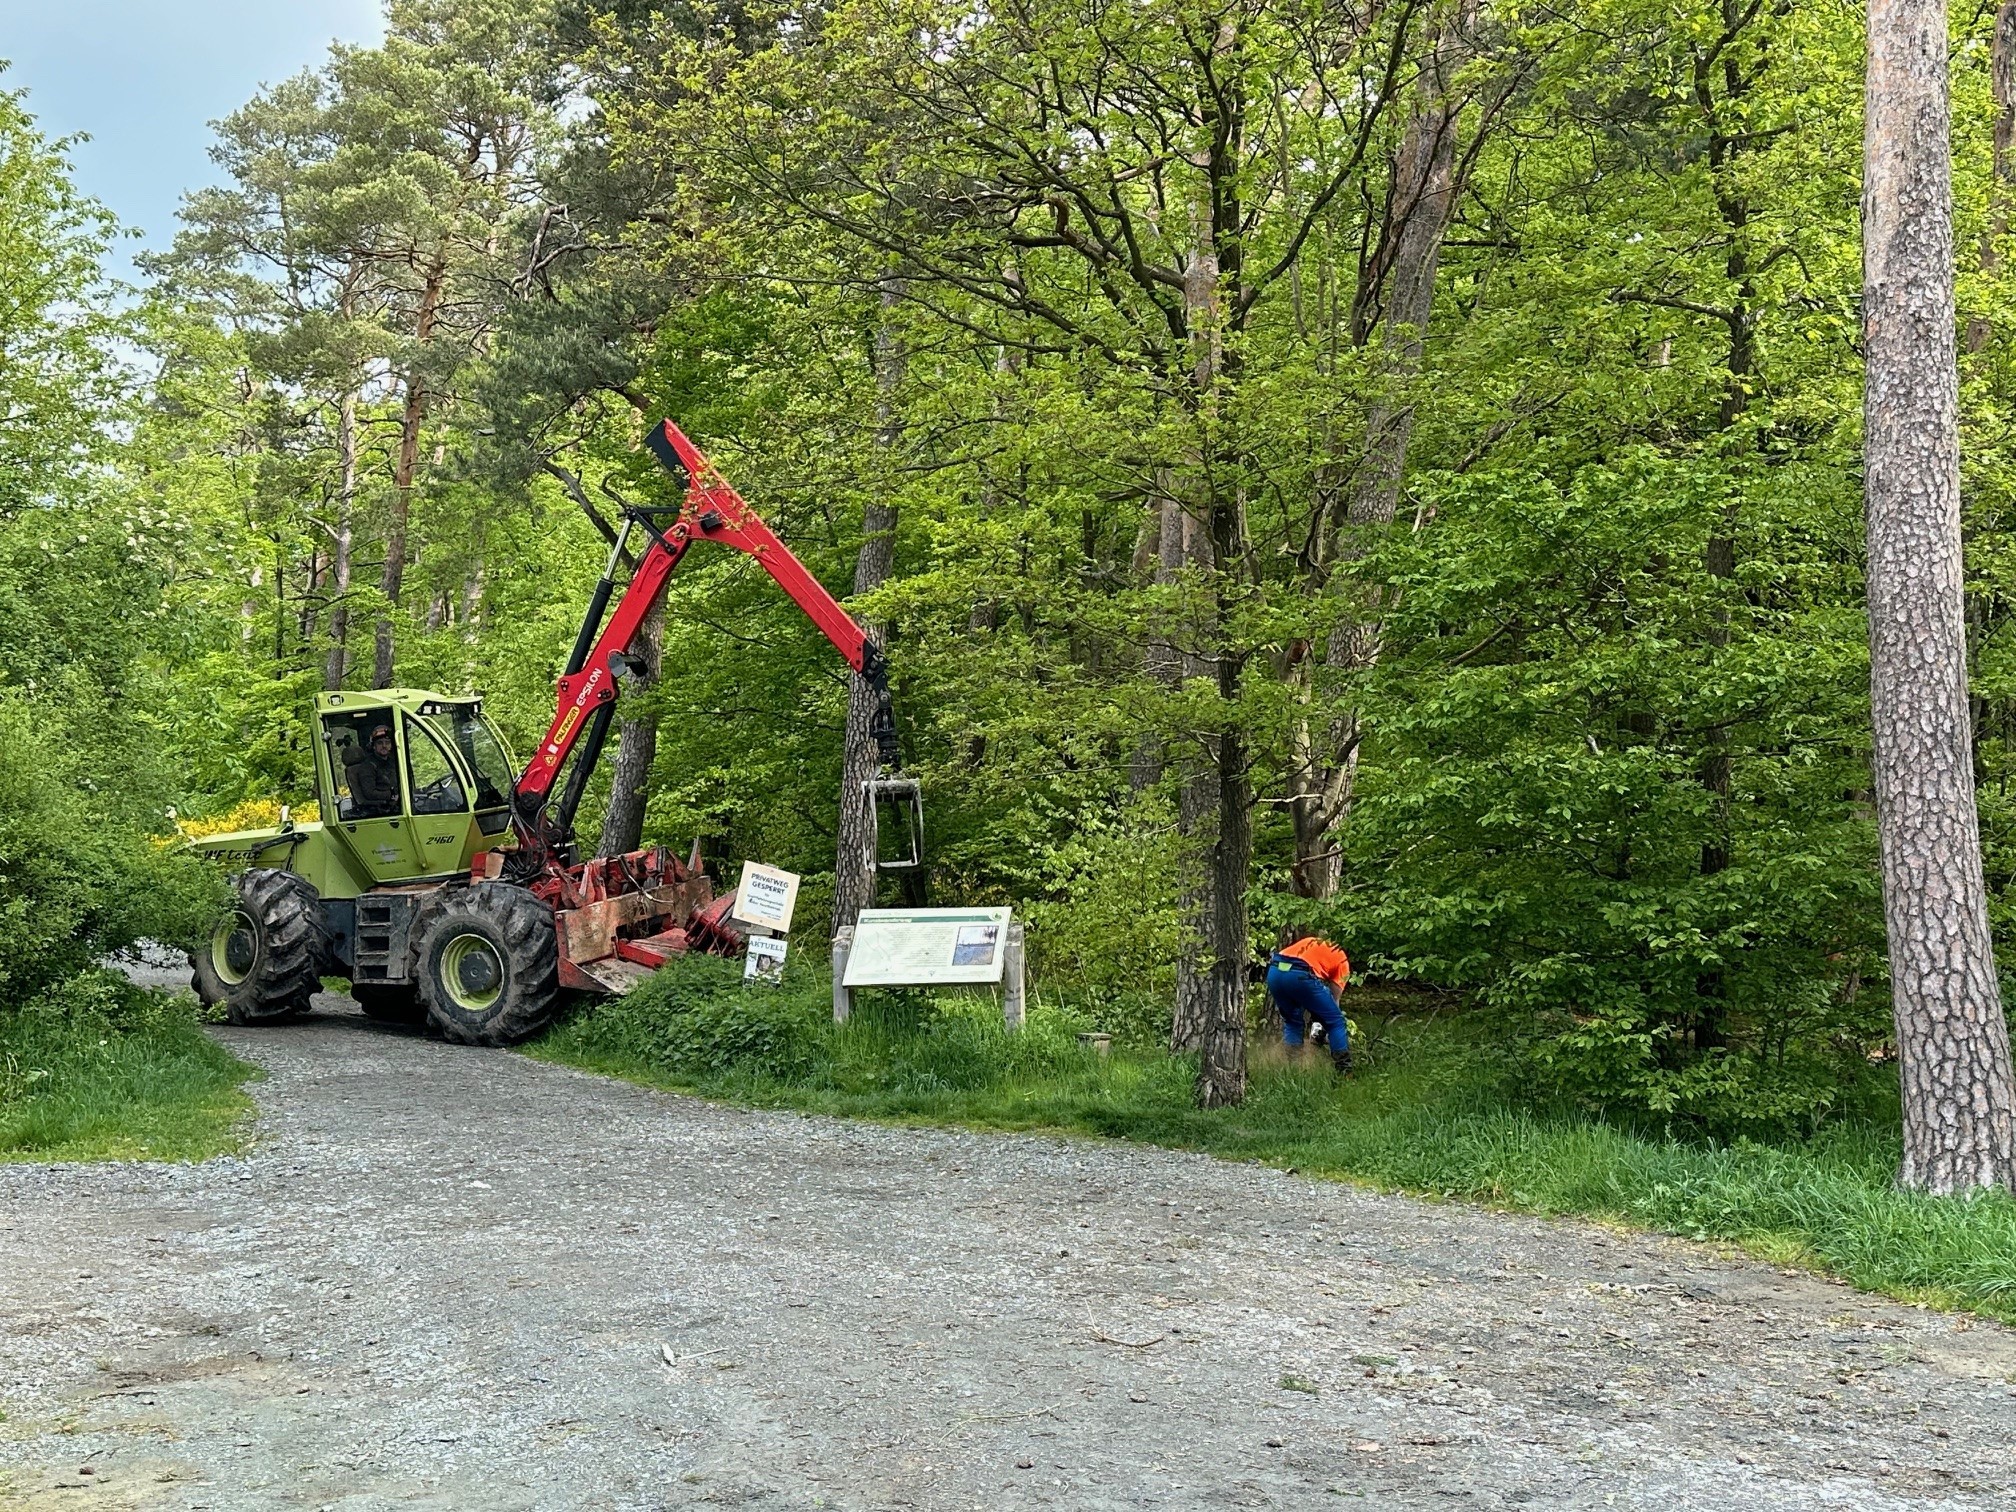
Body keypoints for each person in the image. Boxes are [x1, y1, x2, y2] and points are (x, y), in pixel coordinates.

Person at [1266, 928, 1351, 1075]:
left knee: (1293, 1021)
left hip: (1275, 972)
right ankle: (1344, 1072)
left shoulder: (1309, 942)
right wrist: (1324, 1028)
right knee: (1336, 1021)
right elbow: (1334, 1001)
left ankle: (1293, 1070)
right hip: (1300, 975)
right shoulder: (1342, 958)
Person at [344, 723, 403, 818]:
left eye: (387, 743)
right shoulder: (368, 767)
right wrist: (392, 796)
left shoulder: (393, 763)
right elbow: (369, 793)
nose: (384, 746)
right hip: (382, 810)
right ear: (374, 746)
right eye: (380, 743)